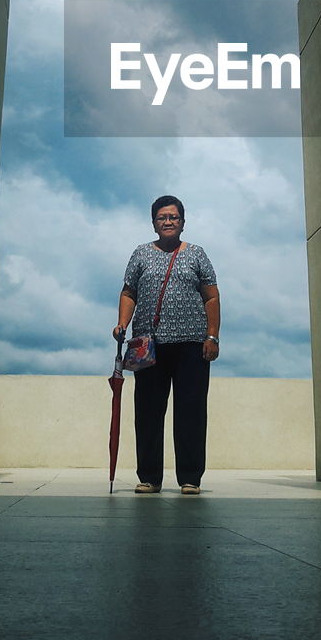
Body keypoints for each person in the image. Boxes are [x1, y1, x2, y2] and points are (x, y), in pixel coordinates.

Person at [113, 195, 220, 495]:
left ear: (183, 222)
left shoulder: (197, 254)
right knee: (147, 412)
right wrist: (122, 323)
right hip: (148, 344)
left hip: (192, 345)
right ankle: (149, 477)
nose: (168, 221)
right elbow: (128, 291)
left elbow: (211, 296)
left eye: (174, 217)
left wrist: (212, 336)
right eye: (162, 217)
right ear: (154, 223)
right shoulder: (140, 254)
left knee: (191, 411)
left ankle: (190, 478)